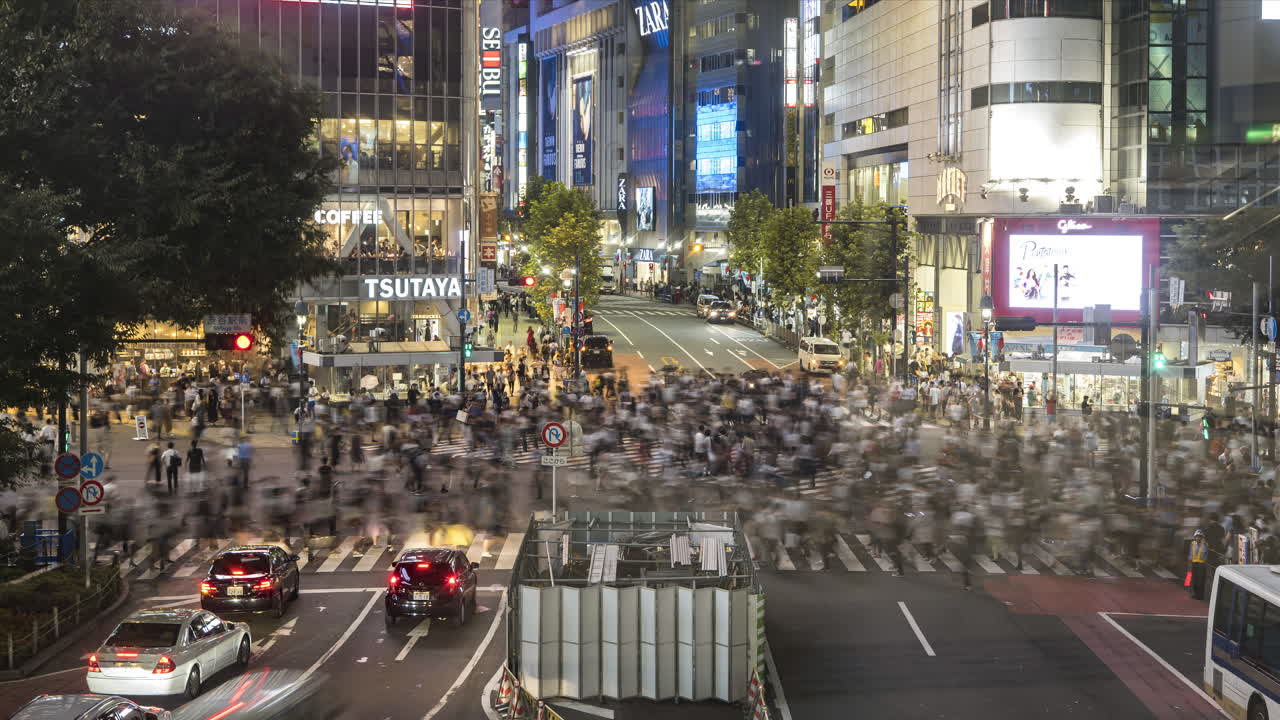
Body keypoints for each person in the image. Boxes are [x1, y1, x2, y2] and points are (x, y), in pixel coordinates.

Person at [1188, 529, 1209, 600]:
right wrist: (1190, 562)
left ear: (1202, 537)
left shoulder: (1205, 544)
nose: (1198, 538)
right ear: (1195, 537)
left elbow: (1204, 554)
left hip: (1201, 564)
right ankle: (1194, 593)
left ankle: (1200, 596)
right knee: (1194, 579)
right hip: (1194, 563)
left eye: (1200, 536)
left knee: (1200, 581)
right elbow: (1191, 553)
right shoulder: (1192, 543)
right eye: (1197, 536)